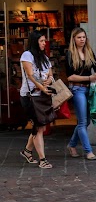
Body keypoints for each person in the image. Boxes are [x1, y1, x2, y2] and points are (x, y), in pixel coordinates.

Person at [19, 29, 54, 169]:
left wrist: (48, 82)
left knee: (39, 126)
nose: (44, 43)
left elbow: (51, 74)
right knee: (39, 128)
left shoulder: (44, 57)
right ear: (35, 41)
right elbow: (30, 75)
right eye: (41, 41)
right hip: (30, 96)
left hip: (42, 96)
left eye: (44, 41)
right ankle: (42, 159)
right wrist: (42, 86)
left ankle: (27, 151)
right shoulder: (27, 55)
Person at [66, 27, 96, 160]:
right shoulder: (70, 54)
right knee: (82, 122)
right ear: (74, 39)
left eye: (83, 37)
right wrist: (89, 78)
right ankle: (88, 151)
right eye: (79, 37)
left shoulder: (89, 51)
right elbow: (70, 77)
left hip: (90, 89)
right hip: (77, 90)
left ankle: (72, 145)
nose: (82, 39)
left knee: (87, 121)